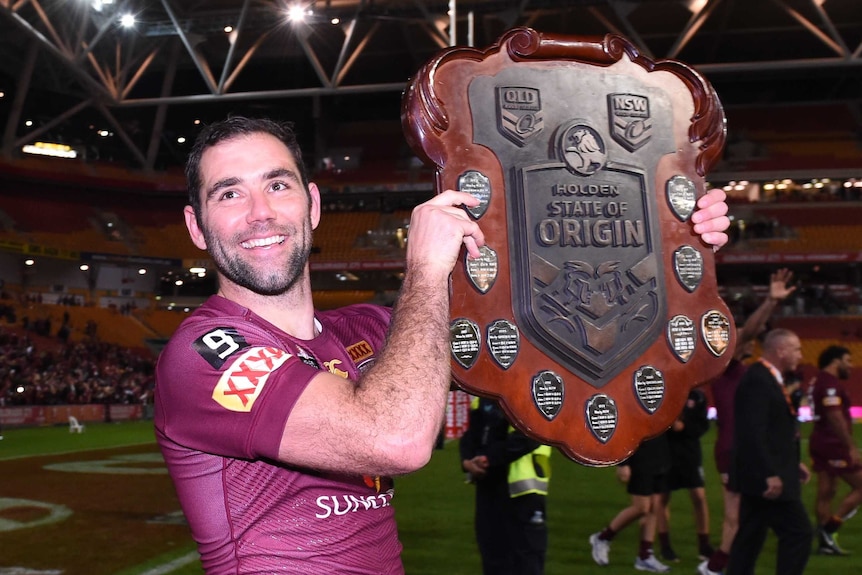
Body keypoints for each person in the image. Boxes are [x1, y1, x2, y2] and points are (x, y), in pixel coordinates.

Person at [153, 115, 731, 573]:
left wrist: (667, 238)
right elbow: (396, 440)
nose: (260, 213)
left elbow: (551, 328)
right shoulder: (205, 351)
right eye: (228, 194)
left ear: (313, 204)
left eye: (277, 185)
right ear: (196, 227)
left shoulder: (367, 329)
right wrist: (427, 270)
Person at [699, 268, 795, 575]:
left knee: (751, 516)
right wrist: (770, 302)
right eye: (743, 343)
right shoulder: (725, 367)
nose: (750, 346)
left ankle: (726, 566)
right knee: (738, 516)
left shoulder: (750, 374)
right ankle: (715, 568)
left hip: (745, 449)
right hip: (733, 450)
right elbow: (750, 332)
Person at [726, 328, 813, 575]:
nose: (800, 354)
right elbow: (753, 432)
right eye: (796, 348)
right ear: (781, 350)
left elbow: (770, 431)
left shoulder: (767, 378)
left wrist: (792, 462)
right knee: (799, 532)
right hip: (767, 478)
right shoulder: (758, 379)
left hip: (763, 474)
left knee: (749, 537)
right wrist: (770, 472)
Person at [460, 396, 551, 575]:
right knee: (493, 556)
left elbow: (531, 435)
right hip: (489, 486)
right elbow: (470, 434)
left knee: (526, 561)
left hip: (523, 490)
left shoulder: (531, 390)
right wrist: (467, 461)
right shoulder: (482, 396)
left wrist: (489, 459)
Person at [589, 435, 672, 573]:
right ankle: (602, 538)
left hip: (661, 452)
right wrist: (622, 463)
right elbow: (625, 427)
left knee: (655, 506)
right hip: (639, 454)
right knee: (642, 507)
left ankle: (645, 555)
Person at [808, 344, 861, 555]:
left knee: (826, 492)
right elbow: (834, 416)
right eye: (847, 361)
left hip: (820, 440)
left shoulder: (817, 381)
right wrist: (850, 447)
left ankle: (825, 543)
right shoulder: (829, 383)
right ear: (835, 361)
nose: (851, 365)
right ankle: (830, 529)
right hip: (833, 444)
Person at [656, 387, 713, 563]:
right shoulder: (664, 391)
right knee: (662, 498)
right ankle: (665, 547)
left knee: (699, 497)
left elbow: (703, 425)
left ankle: (704, 545)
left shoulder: (697, 396)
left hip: (690, 454)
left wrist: (684, 427)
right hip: (666, 452)